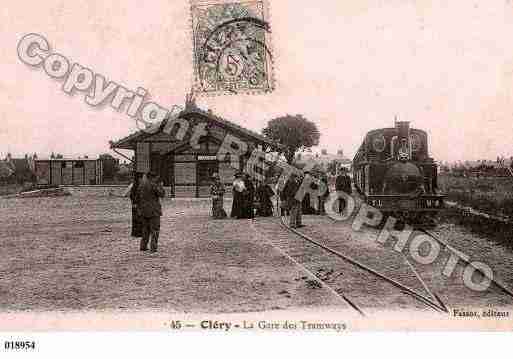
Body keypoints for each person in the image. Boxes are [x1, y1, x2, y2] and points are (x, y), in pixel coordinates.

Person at [138, 171, 165, 253]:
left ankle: (143, 246)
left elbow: (138, 195)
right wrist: (161, 186)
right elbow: (162, 194)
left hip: (143, 210)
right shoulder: (154, 185)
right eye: (157, 177)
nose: (158, 178)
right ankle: (153, 248)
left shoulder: (142, 185)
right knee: (155, 230)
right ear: (153, 177)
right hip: (154, 211)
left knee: (145, 229)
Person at [129, 172, 142, 238]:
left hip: (137, 204)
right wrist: (135, 203)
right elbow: (132, 196)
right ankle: (137, 233)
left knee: (138, 219)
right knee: (137, 219)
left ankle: (137, 232)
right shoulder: (136, 186)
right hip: (137, 204)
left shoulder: (136, 185)